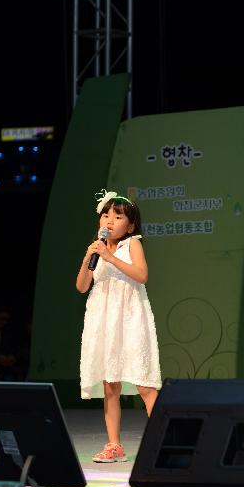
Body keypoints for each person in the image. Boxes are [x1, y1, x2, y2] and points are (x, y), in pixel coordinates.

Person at [76, 190, 162, 463]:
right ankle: (114, 445)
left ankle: (166, 440)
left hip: (129, 317)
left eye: (118, 216)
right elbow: (81, 287)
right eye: (106, 214)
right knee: (109, 384)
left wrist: (110, 258)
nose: (110, 220)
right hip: (103, 319)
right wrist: (89, 257)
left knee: (144, 383)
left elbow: (142, 275)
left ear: (131, 225)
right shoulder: (96, 249)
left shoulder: (132, 244)